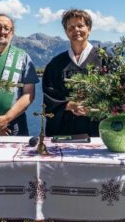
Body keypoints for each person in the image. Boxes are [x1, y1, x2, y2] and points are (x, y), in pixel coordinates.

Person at [42, 9, 104, 137]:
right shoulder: (56, 64)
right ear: (66, 32)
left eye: (80, 26)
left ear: (89, 29)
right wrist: (69, 105)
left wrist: (94, 107)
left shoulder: (104, 60)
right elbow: (49, 95)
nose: (76, 30)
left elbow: (116, 95)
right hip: (63, 130)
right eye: (71, 27)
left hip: (98, 130)